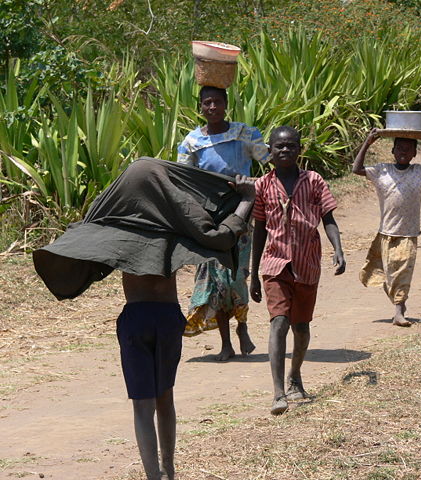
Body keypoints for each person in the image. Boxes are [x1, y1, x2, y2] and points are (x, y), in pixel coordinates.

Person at [33, 158, 256, 480]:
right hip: (168, 318)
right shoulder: (176, 228)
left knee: (142, 405)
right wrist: (246, 199)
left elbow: (88, 223)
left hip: (135, 319)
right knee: (166, 399)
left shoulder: (121, 227)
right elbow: (220, 235)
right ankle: (169, 469)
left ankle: (154, 475)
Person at [249, 126, 346, 415]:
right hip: (275, 263)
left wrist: (338, 249)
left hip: (306, 264)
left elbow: (328, 218)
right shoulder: (262, 186)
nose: (285, 150)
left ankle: (295, 374)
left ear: (299, 149)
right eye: (279, 146)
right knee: (278, 322)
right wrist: (253, 274)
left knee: (301, 327)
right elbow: (258, 230)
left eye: (291, 146)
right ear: (270, 151)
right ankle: (278, 392)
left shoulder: (314, 181)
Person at [177, 85, 269, 361]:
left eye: (217, 102)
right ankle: (226, 342)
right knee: (215, 278)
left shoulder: (244, 133)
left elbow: (270, 160)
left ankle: (242, 326)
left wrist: (253, 187)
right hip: (208, 218)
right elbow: (184, 179)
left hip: (241, 213)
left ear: (227, 104)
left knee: (237, 274)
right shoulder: (191, 141)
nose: (213, 107)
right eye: (207, 103)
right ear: (201, 107)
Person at [352, 129, 421, 327]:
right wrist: (368, 142)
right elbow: (356, 169)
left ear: (415, 153)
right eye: (399, 148)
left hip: (409, 233)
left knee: (402, 274)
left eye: (408, 149)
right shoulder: (382, 170)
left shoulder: (420, 172)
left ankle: (398, 311)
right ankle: (399, 303)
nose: (403, 152)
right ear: (393, 150)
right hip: (386, 233)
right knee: (389, 276)